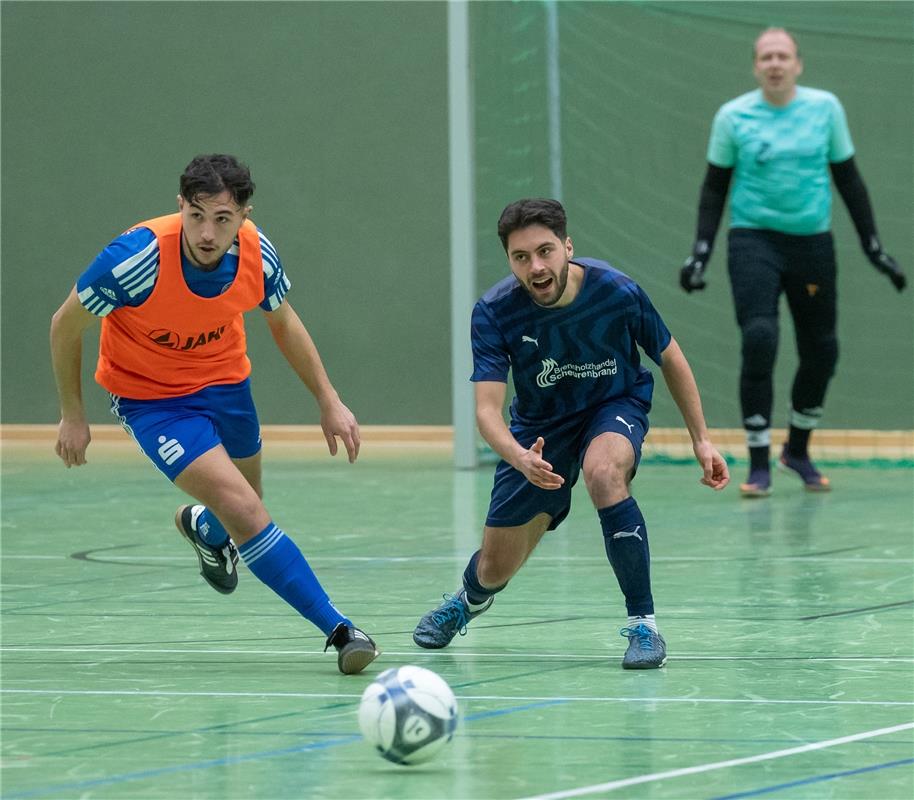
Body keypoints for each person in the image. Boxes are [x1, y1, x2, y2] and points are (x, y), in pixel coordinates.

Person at [50, 154, 379, 675]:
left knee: (246, 505)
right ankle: (340, 630)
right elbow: (64, 326)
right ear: (180, 206)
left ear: (244, 216)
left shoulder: (256, 254)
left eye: (222, 219)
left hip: (226, 383)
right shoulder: (135, 260)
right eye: (197, 215)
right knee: (245, 510)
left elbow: (284, 322)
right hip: (151, 399)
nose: (207, 232)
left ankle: (205, 527)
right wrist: (73, 415)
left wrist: (328, 400)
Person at [413, 198, 730, 669]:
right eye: (521, 257)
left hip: (614, 405)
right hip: (539, 431)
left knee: (604, 473)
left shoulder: (616, 290)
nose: (536, 267)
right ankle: (469, 599)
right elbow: (486, 411)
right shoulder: (495, 313)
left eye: (545, 252)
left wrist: (701, 439)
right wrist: (520, 456)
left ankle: (644, 625)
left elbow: (672, 357)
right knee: (495, 568)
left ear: (567, 247)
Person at [680, 27, 907, 498]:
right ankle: (759, 460)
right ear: (756, 66)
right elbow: (714, 188)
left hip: (812, 244)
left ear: (798, 64)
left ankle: (797, 450)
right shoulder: (734, 116)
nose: (775, 63)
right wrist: (700, 250)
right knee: (761, 336)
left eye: (783, 55)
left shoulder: (825, 109)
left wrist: (874, 247)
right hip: (753, 241)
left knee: (822, 350)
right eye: (766, 57)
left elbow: (849, 180)